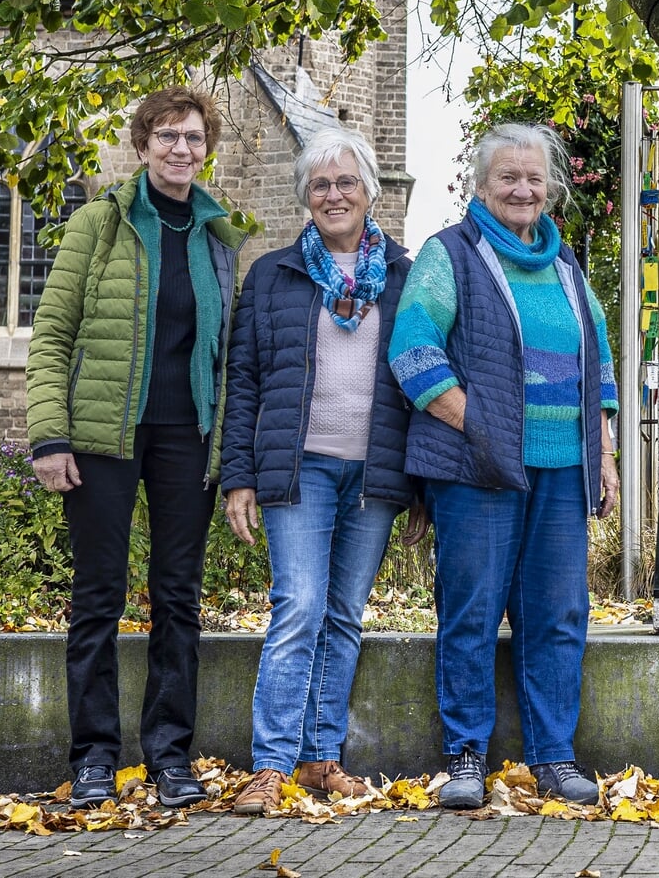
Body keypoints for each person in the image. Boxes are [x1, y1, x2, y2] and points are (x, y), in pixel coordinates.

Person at [25, 87, 248, 809]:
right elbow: (53, 335)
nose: (179, 148)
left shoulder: (220, 236)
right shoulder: (100, 222)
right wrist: (48, 436)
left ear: (205, 147)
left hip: (189, 437)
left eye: (192, 136)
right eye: (166, 135)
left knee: (179, 598)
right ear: (143, 142)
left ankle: (169, 757)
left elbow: (223, 352)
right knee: (98, 596)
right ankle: (94, 756)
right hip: (103, 438)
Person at [387, 123, 619, 809]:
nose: (522, 189)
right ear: (480, 186)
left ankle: (553, 757)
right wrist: (477, 424)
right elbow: (412, 348)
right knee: (472, 610)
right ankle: (464, 758)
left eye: (533, 178)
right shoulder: (449, 255)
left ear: (550, 189)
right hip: (476, 469)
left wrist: (604, 455)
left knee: (557, 613)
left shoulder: (566, 265)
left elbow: (599, 364)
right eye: (506, 178)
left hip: (560, 469)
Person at [218, 128, 417, 815]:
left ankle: (319, 756)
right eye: (321, 184)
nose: (334, 194)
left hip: (375, 470)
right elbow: (242, 379)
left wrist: (418, 484)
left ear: (370, 192)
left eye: (346, 183)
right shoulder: (273, 274)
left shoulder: (407, 275)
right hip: (297, 466)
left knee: (343, 614)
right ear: (306, 194)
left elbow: (421, 381)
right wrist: (238, 474)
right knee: (297, 605)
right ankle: (269, 764)